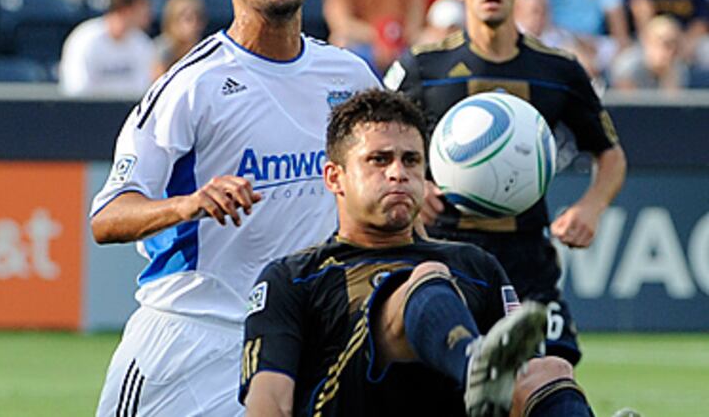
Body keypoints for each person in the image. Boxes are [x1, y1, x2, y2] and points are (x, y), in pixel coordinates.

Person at [89, 0, 381, 414]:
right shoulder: (190, 85)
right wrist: (186, 206)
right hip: (189, 343)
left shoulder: (349, 76)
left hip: (297, 345)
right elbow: (107, 218)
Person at [240, 89, 596, 417]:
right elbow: (269, 402)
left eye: (411, 160)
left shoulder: (476, 265)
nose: (398, 173)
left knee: (550, 370)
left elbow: (521, 384)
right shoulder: (295, 277)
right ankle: (472, 363)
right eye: (379, 160)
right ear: (335, 178)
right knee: (427, 277)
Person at [384, 0, 627, 366]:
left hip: (527, 260)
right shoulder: (423, 67)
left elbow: (610, 155)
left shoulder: (559, 71)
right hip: (441, 256)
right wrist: (413, 188)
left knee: (551, 377)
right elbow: (371, 147)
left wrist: (591, 207)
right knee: (450, 387)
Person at [59, 0, 155, 98]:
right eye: (143, 8)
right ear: (126, 10)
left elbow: (144, 88)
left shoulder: (142, 43)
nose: (149, 15)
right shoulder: (85, 38)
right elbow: (76, 88)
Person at [152, 0, 207, 78]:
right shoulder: (160, 50)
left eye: (199, 18)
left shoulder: (205, 50)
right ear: (172, 20)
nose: (194, 24)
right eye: (188, 19)